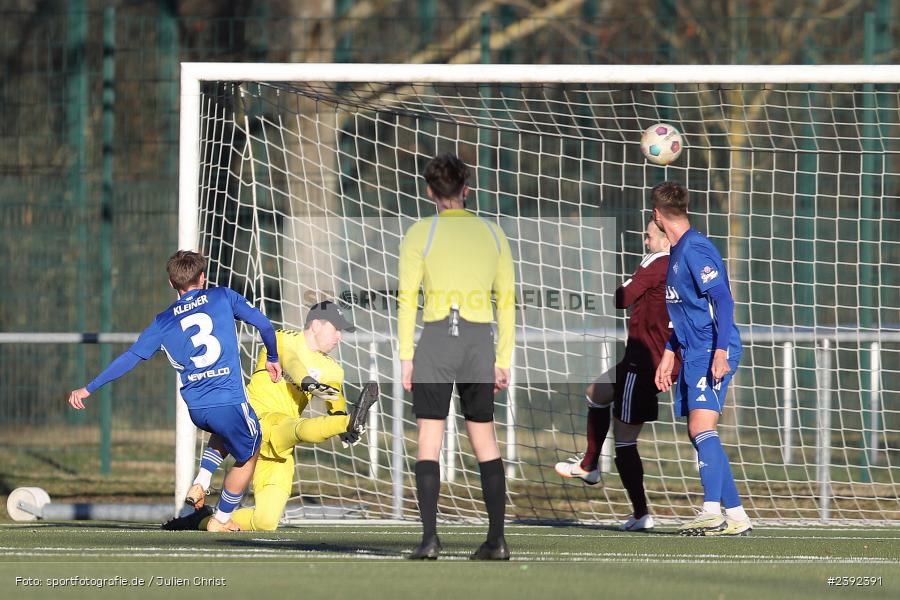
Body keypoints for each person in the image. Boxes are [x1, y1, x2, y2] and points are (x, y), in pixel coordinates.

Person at [67, 250, 282, 532]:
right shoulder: (222, 296)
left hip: (198, 410)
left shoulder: (163, 322)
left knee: (225, 431)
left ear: (171, 283)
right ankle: (222, 518)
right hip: (229, 401)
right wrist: (273, 357)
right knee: (250, 451)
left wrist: (88, 388)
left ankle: (202, 482)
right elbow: (265, 325)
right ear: (202, 278)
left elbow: (130, 358)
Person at [165, 300, 379, 532]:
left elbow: (335, 401)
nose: (339, 336)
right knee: (297, 428)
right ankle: (349, 421)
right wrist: (309, 384)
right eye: (336, 328)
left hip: (280, 447)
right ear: (316, 325)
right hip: (256, 422)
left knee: (266, 522)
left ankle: (201, 520)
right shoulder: (281, 337)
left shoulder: (333, 369)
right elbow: (292, 362)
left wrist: (346, 427)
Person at [398, 153, 516, 560]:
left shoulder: (420, 233)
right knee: (484, 438)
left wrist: (405, 356)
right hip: (478, 342)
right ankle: (497, 541)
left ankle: (429, 539)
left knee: (429, 439)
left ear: (430, 191)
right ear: (467, 190)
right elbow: (507, 303)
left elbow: (406, 299)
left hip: (436, 340)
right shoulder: (493, 233)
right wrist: (503, 358)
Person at [555, 218, 680, 531]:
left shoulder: (656, 262)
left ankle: (641, 514)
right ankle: (589, 466)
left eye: (649, 235)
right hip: (645, 358)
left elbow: (622, 299)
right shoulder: (677, 264)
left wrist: (596, 291)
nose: (645, 241)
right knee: (596, 392)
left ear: (666, 238)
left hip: (644, 363)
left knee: (625, 442)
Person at [651, 181, 752, 536]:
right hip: (694, 350)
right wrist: (668, 353)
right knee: (698, 433)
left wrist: (721, 351)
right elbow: (688, 311)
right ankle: (737, 515)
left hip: (712, 349)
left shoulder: (695, 249)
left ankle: (711, 510)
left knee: (701, 428)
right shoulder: (677, 253)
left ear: (657, 216)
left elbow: (723, 300)